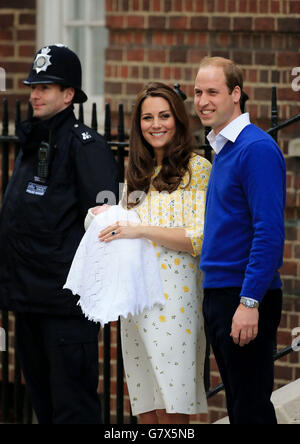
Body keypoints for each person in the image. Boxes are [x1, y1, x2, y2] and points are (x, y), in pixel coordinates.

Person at [0, 44, 118, 424]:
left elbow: (104, 226)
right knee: (43, 406)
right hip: (28, 301)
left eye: (45, 87)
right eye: (33, 86)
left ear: (68, 95)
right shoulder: (33, 142)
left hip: (66, 308)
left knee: (74, 410)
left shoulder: (87, 147)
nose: (34, 94)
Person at [92, 82, 211, 424]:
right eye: (147, 117)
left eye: (164, 116)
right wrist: (109, 214)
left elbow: (197, 239)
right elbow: (127, 225)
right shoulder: (136, 173)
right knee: (145, 406)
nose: (155, 124)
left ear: (178, 120)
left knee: (173, 411)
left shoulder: (197, 168)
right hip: (137, 300)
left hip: (177, 303)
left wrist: (139, 229)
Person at [194, 57, 286, 424]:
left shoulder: (256, 148)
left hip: (244, 296)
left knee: (251, 411)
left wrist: (250, 301)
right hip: (220, 293)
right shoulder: (223, 148)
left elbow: (268, 232)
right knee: (239, 408)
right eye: (198, 92)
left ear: (236, 94)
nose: (202, 100)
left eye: (213, 92)